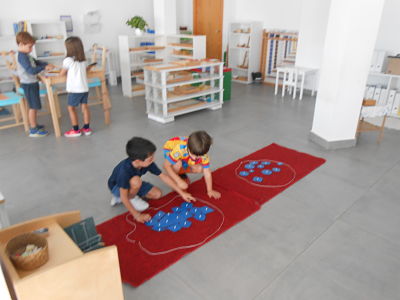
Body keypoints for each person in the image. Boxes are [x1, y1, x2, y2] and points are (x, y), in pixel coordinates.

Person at [108, 137, 195, 223]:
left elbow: (163, 176)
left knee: (157, 194)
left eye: (152, 156)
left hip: (133, 184)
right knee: (136, 181)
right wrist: (137, 215)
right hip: (118, 188)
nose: (153, 159)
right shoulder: (124, 171)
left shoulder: (147, 163)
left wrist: (182, 193)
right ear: (138, 161)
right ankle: (129, 198)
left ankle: (132, 193)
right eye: (150, 159)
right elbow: (124, 195)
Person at [16, 32, 54, 137]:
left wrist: (45, 64)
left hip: (32, 83)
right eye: (29, 47)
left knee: (35, 106)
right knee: (33, 106)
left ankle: (35, 125)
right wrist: (44, 68)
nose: (31, 49)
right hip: (28, 84)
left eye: (32, 46)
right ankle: (33, 129)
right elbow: (31, 70)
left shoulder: (26, 55)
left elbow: (36, 62)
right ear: (20, 44)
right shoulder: (22, 57)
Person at [163, 131, 221, 199]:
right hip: (170, 149)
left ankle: (181, 172)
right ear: (188, 147)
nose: (195, 158)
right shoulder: (179, 150)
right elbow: (166, 165)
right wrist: (178, 180)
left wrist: (210, 190)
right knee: (177, 163)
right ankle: (175, 177)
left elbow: (207, 172)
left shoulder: (203, 154)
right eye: (193, 155)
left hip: (184, 155)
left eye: (199, 156)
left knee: (200, 168)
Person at [59, 36, 94, 137]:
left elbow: (62, 73)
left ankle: (75, 130)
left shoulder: (68, 60)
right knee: (85, 107)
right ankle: (87, 128)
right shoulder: (83, 60)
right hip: (84, 89)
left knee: (71, 109)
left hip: (74, 90)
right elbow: (82, 71)